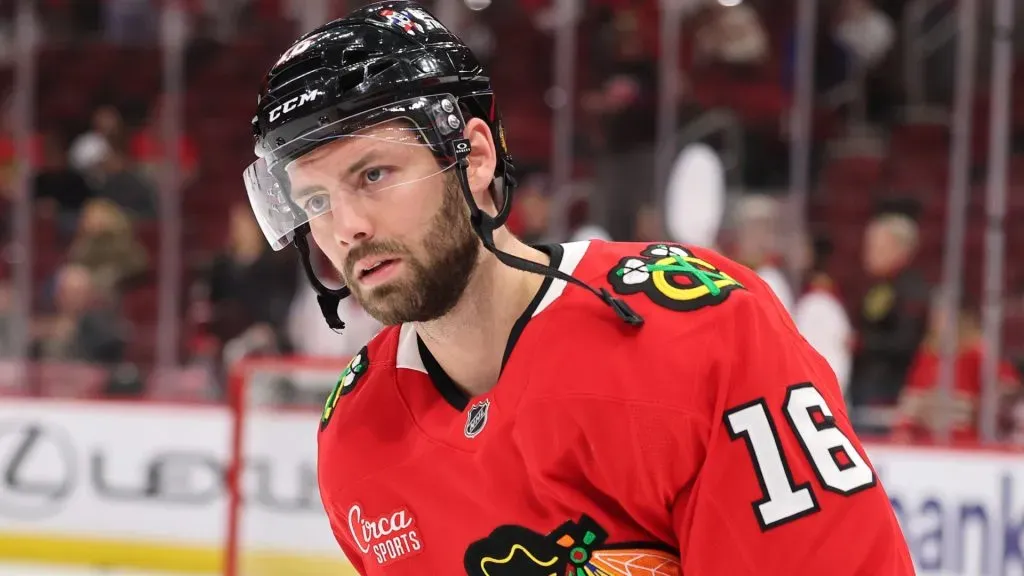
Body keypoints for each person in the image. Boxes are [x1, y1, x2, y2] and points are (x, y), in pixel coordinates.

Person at [243, 3, 913, 574]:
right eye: (315, 202)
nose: (346, 228)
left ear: (473, 158)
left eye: (374, 175)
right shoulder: (359, 437)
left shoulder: (696, 332)